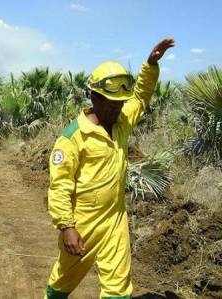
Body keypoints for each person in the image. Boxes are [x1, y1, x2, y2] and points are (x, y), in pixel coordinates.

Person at [45, 38, 175, 299]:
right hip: (82, 223)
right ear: (94, 97)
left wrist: (150, 65)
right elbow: (59, 186)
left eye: (120, 102)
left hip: (115, 219)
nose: (117, 107)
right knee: (62, 282)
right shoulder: (72, 138)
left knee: (118, 289)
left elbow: (139, 98)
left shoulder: (121, 122)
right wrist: (66, 227)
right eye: (111, 102)